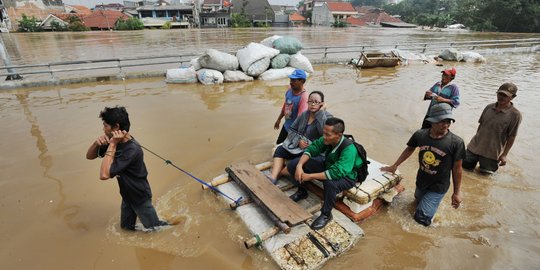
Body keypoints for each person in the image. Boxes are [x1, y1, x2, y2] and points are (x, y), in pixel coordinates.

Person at [381, 103, 465, 226]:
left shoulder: (456, 143)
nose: (445, 124)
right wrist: (395, 165)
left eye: (448, 121)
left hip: (438, 186)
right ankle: (430, 207)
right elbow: (410, 149)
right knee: (417, 202)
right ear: (432, 121)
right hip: (421, 180)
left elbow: (457, 169)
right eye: (441, 121)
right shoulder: (420, 135)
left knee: (421, 220)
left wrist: (457, 192)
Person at [86, 106, 168, 231]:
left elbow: (104, 175)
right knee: (126, 229)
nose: (103, 129)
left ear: (116, 127)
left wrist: (112, 144)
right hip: (127, 196)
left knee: (155, 230)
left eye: (105, 126)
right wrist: (96, 144)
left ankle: (176, 225)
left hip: (140, 197)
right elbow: (89, 156)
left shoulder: (131, 150)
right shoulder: (113, 141)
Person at [286, 117, 363, 230]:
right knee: (294, 164)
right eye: (324, 133)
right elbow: (312, 149)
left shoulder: (349, 149)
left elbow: (336, 172)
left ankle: (326, 214)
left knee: (330, 184)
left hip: (347, 176)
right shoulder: (327, 139)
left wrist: (310, 176)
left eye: (328, 135)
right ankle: (302, 191)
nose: (324, 137)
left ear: (339, 135)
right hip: (329, 165)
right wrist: (299, 166)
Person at [268, 91, 332, 183]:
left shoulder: (328, 118)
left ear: (322, 104)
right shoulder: (304, 114)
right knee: (280, 150)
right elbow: (292, 129)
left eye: (316, 102)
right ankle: (273, 177)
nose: (313, 104)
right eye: (310, 101)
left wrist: (321, 113)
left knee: (296, 163)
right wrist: (298, 141)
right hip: (298, 146)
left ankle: (281, 173)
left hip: (312, 151)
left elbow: (324, 134)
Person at [462, 83, 522, 174]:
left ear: (513, 97)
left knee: (484, 179)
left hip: (492, 154)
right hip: (473, 148)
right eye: (500, 94)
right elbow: (480, 126)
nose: (501, 97)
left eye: (505, 95)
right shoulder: (489, 107)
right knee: (463, 170)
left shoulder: (515, 115)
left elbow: (512, 136)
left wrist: (504, 155)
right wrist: (476, 140)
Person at [274, 69, 309, 144]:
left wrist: (297, 137)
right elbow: (285, 105)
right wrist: (279, 119)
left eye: (294, 80)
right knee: (278, 144)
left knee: (286, 150)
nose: (290, 82)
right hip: (286, 125)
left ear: (302, 81)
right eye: (290, 79)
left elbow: (300, 120)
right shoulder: (289, 90)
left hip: (294, 130)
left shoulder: (303, 98)